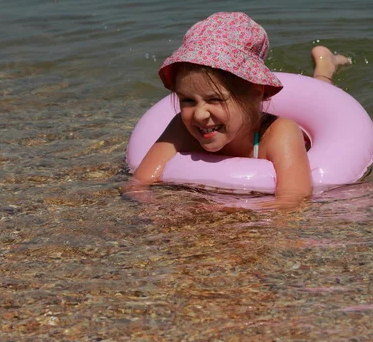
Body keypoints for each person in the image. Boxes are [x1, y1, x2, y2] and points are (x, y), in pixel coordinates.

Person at [132, 12, 351, 208]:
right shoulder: (180, 127)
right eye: (188, 100)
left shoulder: (279, 134)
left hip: (312, 113)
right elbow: (139, 183)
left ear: (256, 94)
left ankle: (325, 67)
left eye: (214, 99)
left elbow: (294, 198)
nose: (199, 114)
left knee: (320, 89)